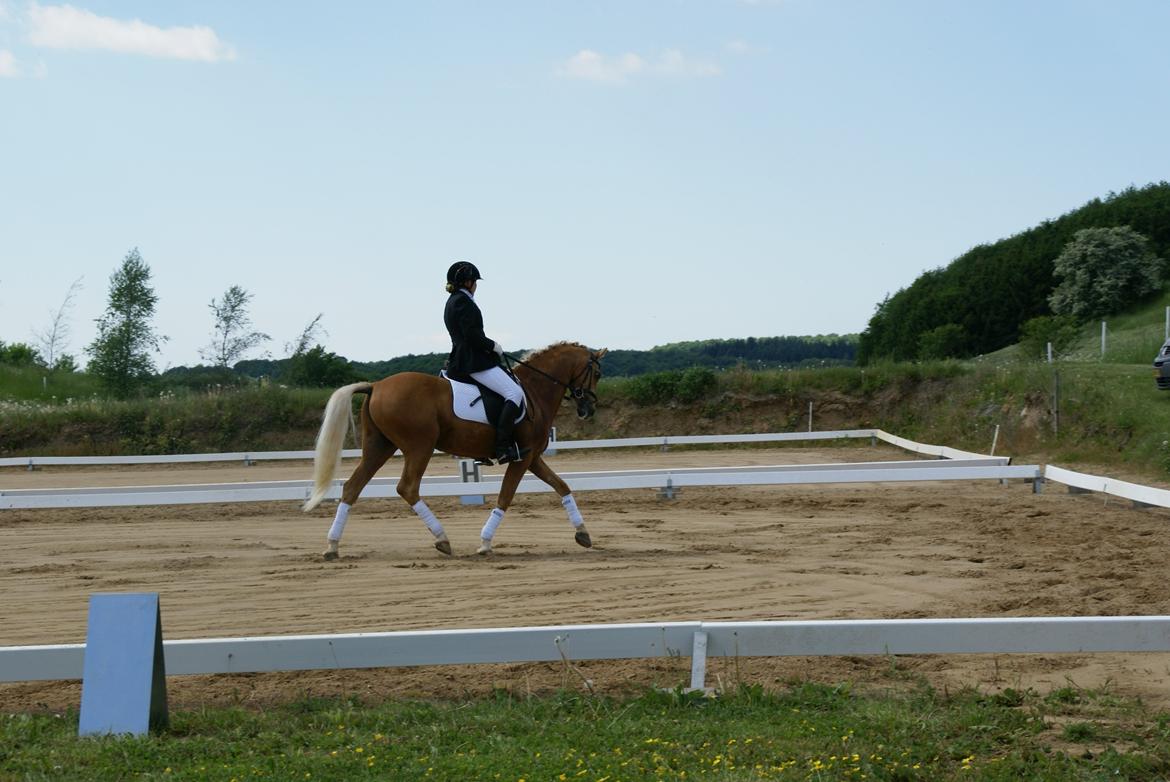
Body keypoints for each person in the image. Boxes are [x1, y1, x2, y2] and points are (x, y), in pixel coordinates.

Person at [444, 261, 530, 464]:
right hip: (473, 361)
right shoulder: (464, 302)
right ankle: (502, 448)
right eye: (474, 281)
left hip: (459, 360)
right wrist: (493, 345)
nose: (476, 285)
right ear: (468, 282)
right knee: (514, 393)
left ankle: (482, 445)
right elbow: (471, 335)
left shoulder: (452, 301)